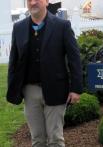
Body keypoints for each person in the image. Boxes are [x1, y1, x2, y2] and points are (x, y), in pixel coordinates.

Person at [6, 0, 83, 146]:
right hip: (30, 91)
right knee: (37, 139)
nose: (33, 2)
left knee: (55, 138)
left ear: (47, 2)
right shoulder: (19, 27)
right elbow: (13, 61)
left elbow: (74, 59)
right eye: (29, 0)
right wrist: (13, 88)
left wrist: (76, 89)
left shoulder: (62, 26)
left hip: (56, 89)